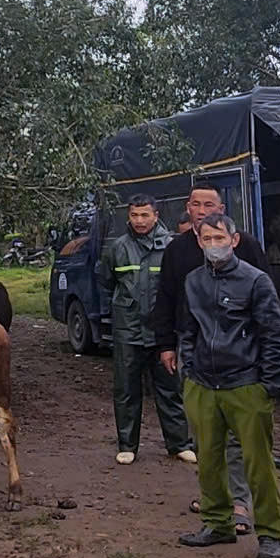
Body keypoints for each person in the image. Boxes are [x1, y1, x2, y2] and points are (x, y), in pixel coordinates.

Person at [149, 185, 274, 530]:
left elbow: (268, 305)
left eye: (209, 204)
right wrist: (166, 344)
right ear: (187, 208)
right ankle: (213, 500)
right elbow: (165, 298)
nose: (202, 210)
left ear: (222, 209)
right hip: (195, 354)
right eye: (195, 204)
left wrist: (269, 368)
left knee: (238, 438)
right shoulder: (176, 250)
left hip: (240, 357)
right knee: (205, 435)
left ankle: (240, 503)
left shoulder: (246, 246)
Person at [172, 213, 280, 558]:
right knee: (208, 459)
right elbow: (188, 328)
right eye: (206, 239)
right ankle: (216, 523)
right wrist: (188, 371)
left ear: (234, 240)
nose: (213, 245)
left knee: (258, 463)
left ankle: (270, 533)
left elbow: (273, 333)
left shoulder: (256, 281)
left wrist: (269, 384)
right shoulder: (193, 281)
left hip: (246, 384)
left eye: (219, 238)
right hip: (202, 384)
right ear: (198, 242)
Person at [104, 195, 194, 466]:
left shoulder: (171, 246)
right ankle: (127, 445)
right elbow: (107, 281)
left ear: (156, 215)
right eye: (134, 215)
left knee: (170, 388)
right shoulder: (117, 247)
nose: (140, 221)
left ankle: (179, 444)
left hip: (161, 331)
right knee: (126, 389)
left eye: (145, 215)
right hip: (127, 330)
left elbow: (178, 287)